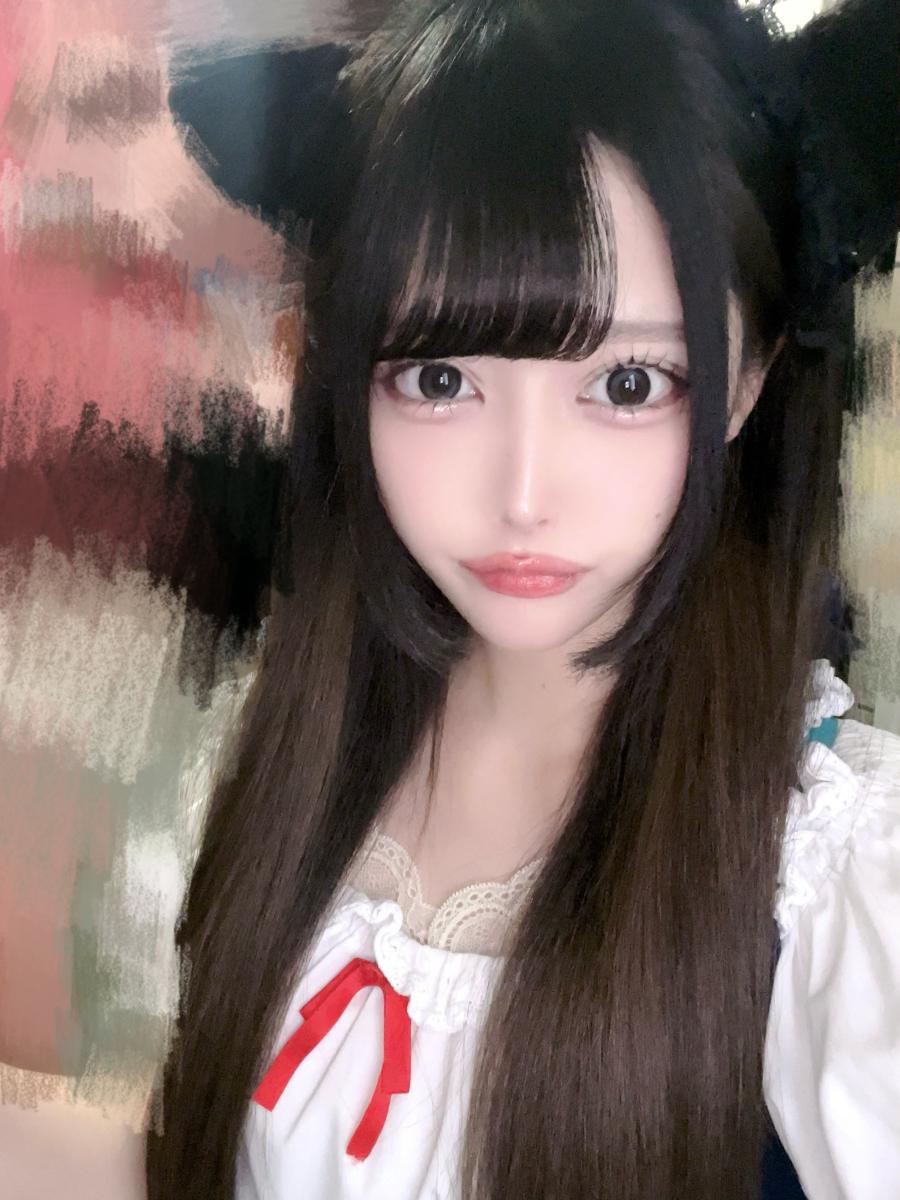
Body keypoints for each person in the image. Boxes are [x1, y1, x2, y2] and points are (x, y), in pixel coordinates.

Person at [149, 1, 900, 1197]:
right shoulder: (289, 745)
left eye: (629, 383)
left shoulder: (826, 864)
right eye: (440, 377)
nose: (523, 496)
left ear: (748, 382)